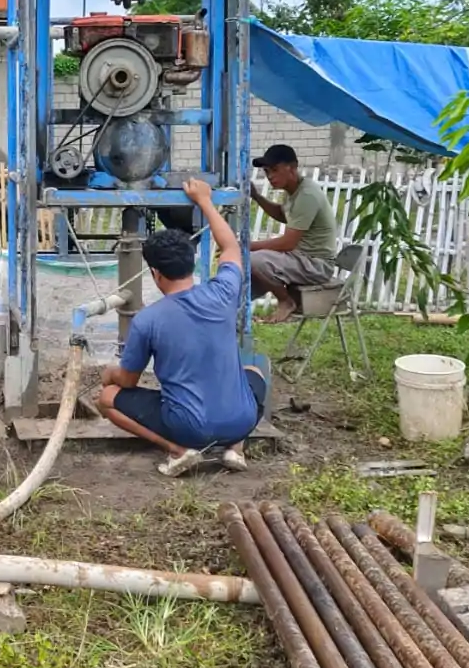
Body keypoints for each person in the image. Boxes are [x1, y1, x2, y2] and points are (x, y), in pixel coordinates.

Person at [96, 178, 269, 477]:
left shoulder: (148, 319)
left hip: (189, 428)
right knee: (255, 371)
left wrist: (110, 373)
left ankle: (178, 451)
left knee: (107, 398)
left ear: (155, 273)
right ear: (190, 262)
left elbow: (128, 382)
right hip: (242, 420)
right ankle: (235, 447)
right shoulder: (223, 292)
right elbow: (230, 246)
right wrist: (204, 200)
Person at [249, 144, 339, 322]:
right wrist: (257, 197)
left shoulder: (307, 195)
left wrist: (247, 246)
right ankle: (232, 314)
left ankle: (286, 301)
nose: (270, 177)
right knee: (246, 273)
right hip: (301, 258)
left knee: (255, 259)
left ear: (293, 167)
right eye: (267, 172)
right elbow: (282, 214)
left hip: (316, 265)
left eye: (275, 170)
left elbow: (286, 244)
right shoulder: (294, 191)